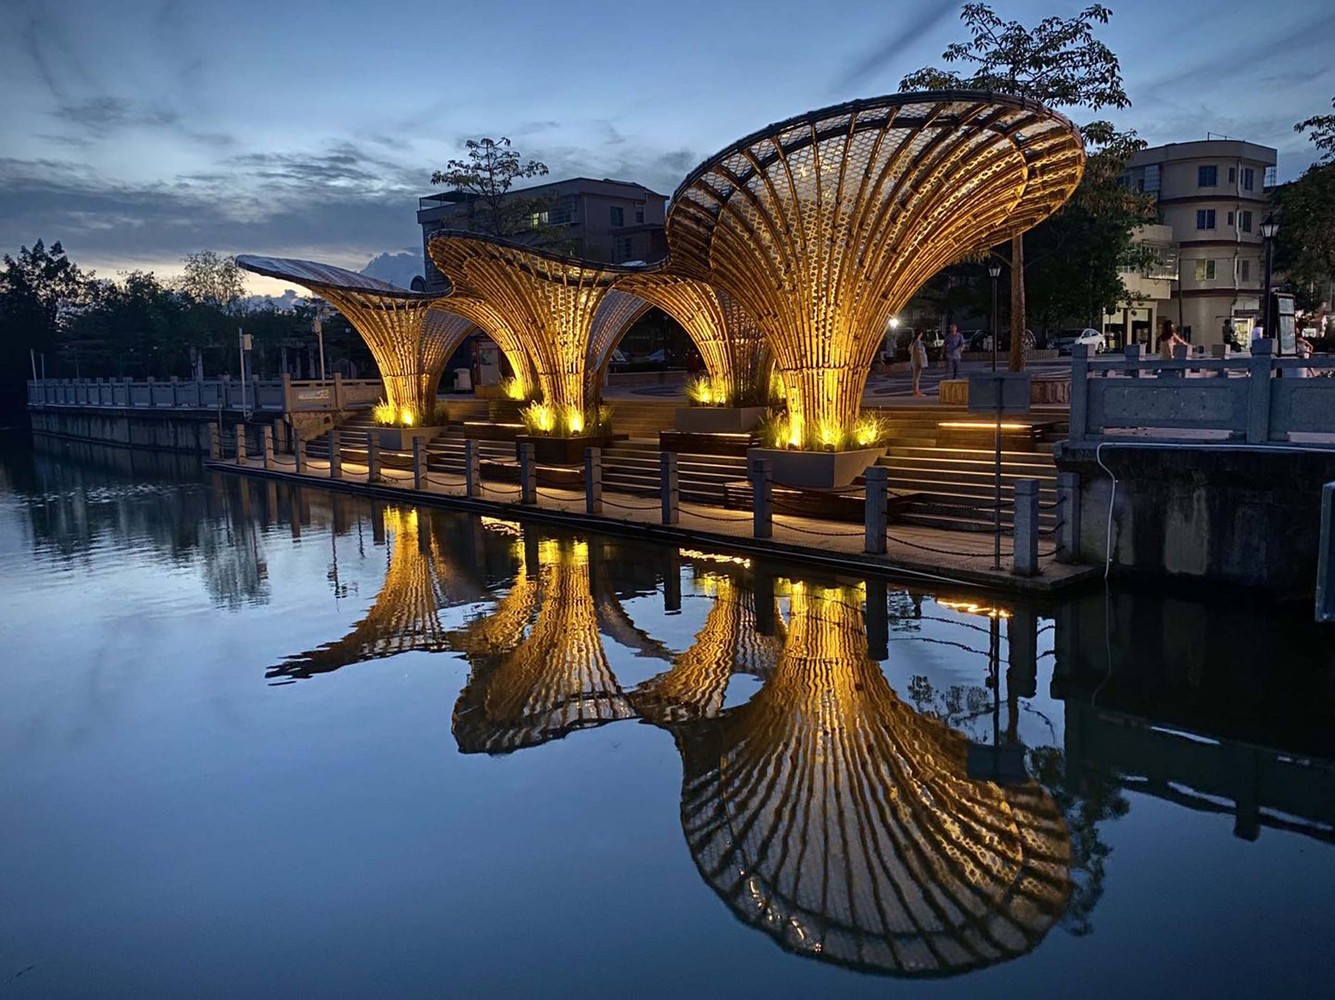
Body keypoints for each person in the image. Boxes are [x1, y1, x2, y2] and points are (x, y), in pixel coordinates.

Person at [909, 329, 928, 396]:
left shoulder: (913, 342)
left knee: (915, 377)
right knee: (917, 377)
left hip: (914, 360)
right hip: (917, 361)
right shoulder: (918, 342)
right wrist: (920, 361)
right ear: (920, 334)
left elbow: (909, 350)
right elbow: (918, 352)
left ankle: (915, 391)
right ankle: (916, 391)